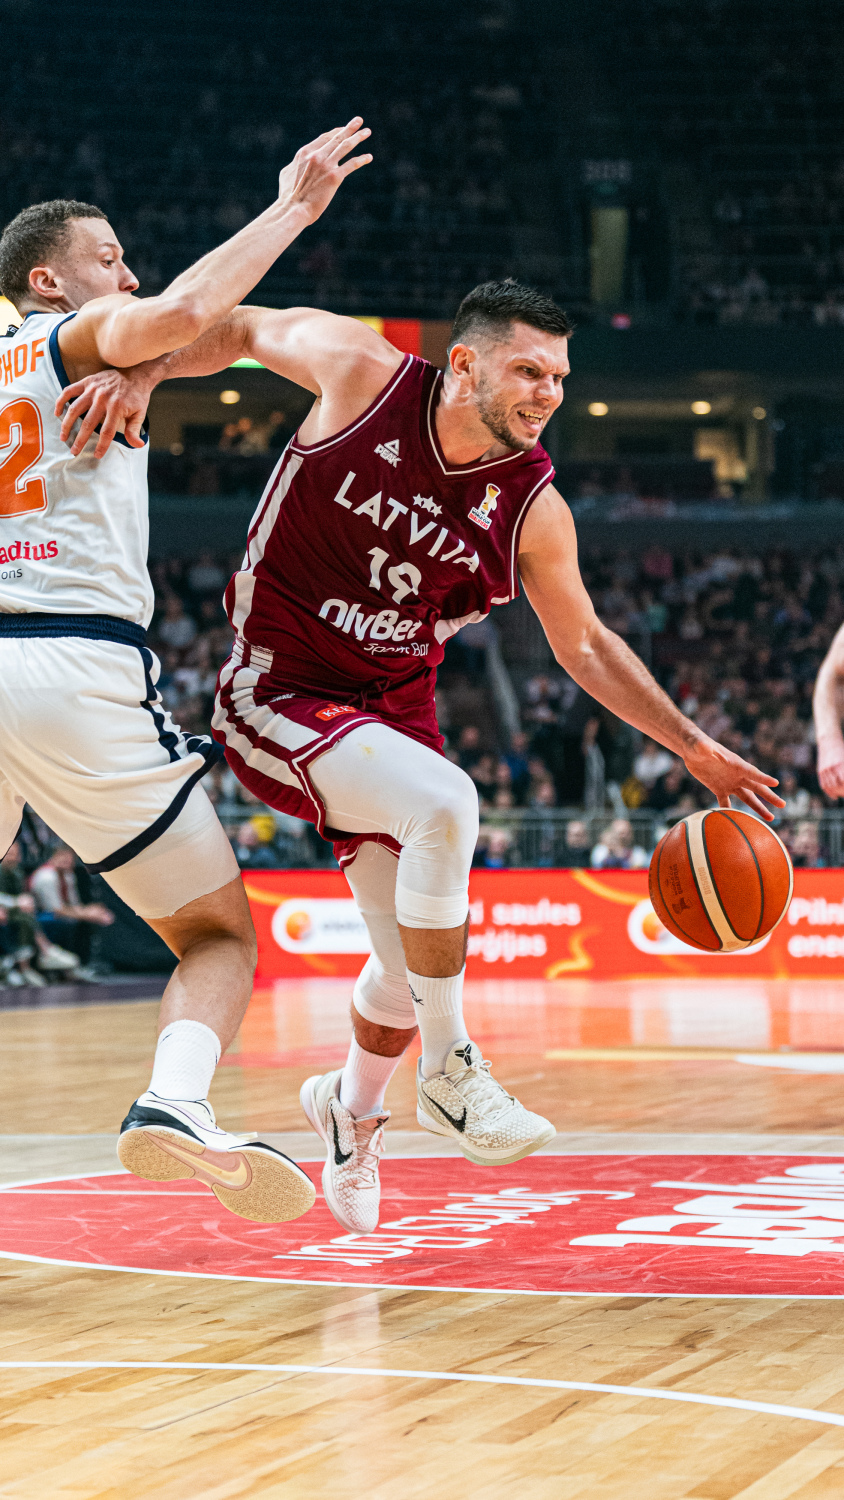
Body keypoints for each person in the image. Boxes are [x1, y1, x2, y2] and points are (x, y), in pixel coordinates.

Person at [61, 277, 783, 1238]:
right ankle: (450, 1067)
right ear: (467, 363)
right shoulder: (363, 374)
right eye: (529, 371)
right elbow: (238, 324)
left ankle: (351, 1111)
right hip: (276, 689)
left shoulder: (532, 506)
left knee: (407, 965)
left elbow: (585, 645)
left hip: (392, 716)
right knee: (446, 804)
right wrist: (148, 373)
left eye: (560, 378)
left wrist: (691, 745)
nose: (549, 393)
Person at [0, 117, 372, 1224]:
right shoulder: (70, 332)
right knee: (215, 935)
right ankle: (174, 1101)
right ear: (47, 280)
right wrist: (292, 208)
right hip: (70, 663)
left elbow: (190, 337)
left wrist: (150, 368)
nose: (127, 273)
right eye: (108, 257)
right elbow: (188, 311)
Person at [30, 843, 115, 975]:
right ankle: (62, 963)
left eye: (70, 857)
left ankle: (79, 964)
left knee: (85, 919)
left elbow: (73, 904)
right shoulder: (46, 876)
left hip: (58, 913)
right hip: (40, 916)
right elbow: (55, 909)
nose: (67, 860)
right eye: (62, 856)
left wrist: (91, 911)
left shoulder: (68, 875)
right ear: (53, 857)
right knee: (71, 922)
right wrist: (88, 915)